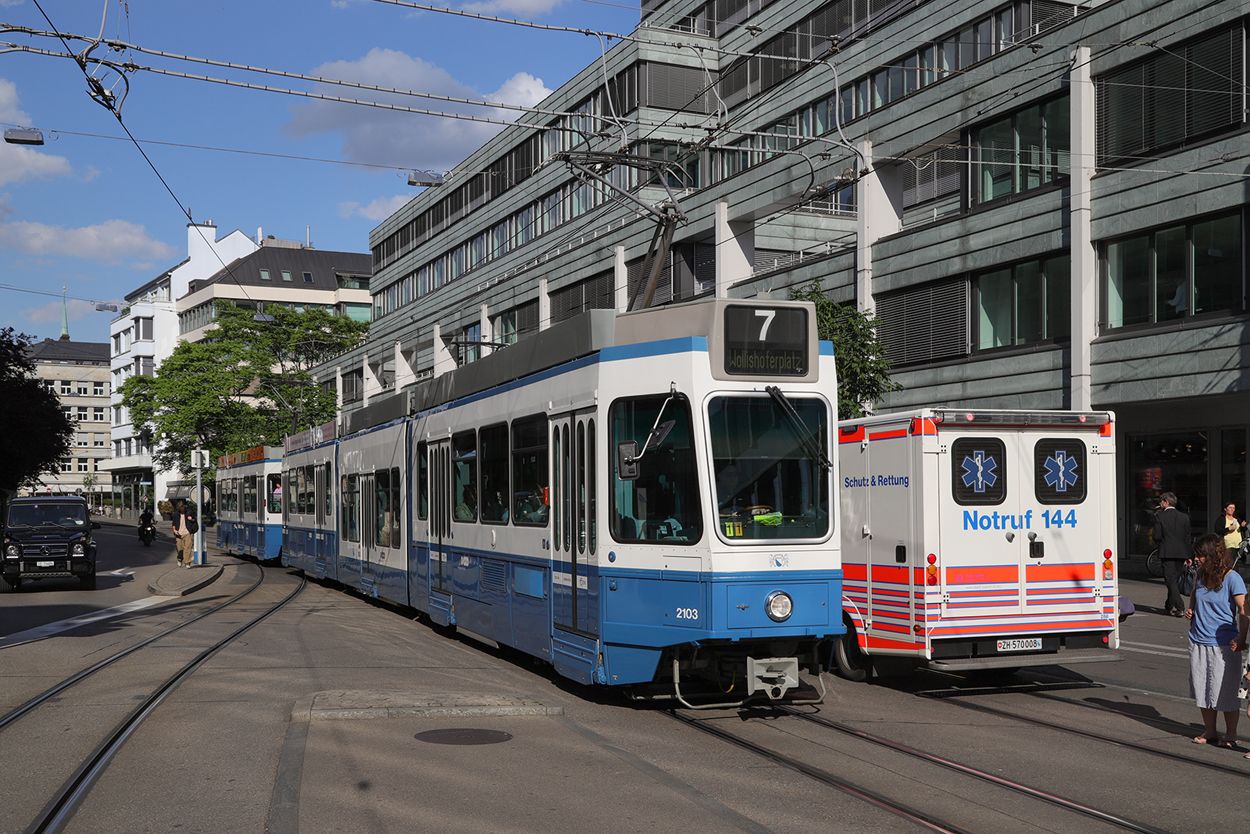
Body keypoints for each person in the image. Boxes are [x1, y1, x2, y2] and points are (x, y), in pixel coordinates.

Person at [1185, 534, 1247, 748]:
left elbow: (1244, 609)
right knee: (1202, 688)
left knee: (1226, 691)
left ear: (1213, 555)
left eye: (1200, 555)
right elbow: (1194, 594)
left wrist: (1242, 637)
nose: (1196, 559)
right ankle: (1210, 731)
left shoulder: (1232, 578)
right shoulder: (1200, 574)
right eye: (1195, 555)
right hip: (1199, 640)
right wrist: (1192, 609)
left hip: (1224, 644)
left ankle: (1230, 734)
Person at [1154, 492, 1192, 616]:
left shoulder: (1160, 517)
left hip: (1167, 552)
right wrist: (1189, 555)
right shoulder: (1184, 517)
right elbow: (1187, 538)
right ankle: (1168, 606)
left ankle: (1180, 606)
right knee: (1173, 580)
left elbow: (1157, 536)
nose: (1160, 504)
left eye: (1161, 501)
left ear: (1166, 502)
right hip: (1181, 552)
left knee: (1170, 579)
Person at [172, 499, 195, 568]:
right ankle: (179, 559)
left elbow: (194, 520)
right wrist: (174, 530)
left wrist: (191, 519)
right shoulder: (176, 514)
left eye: (181, 508)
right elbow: (174, 523)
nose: (180, 510)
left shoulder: (189, 512)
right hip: (179, 533)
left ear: (184, 507)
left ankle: (187, 563)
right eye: (179, 509)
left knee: (188, 548)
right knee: (179, 549)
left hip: (187, 532)